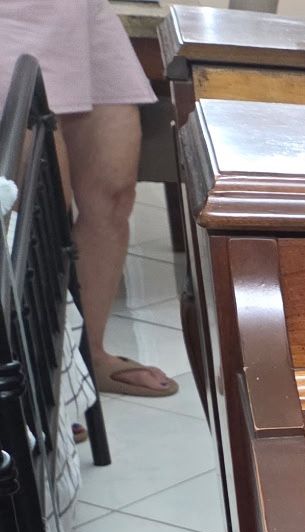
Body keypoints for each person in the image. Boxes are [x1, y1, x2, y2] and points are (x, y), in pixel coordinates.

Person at [0, 0, 177, 398]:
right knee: (40, 209)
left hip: (79, 11)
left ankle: (87, 355)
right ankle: (38, 385)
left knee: (114, 192)